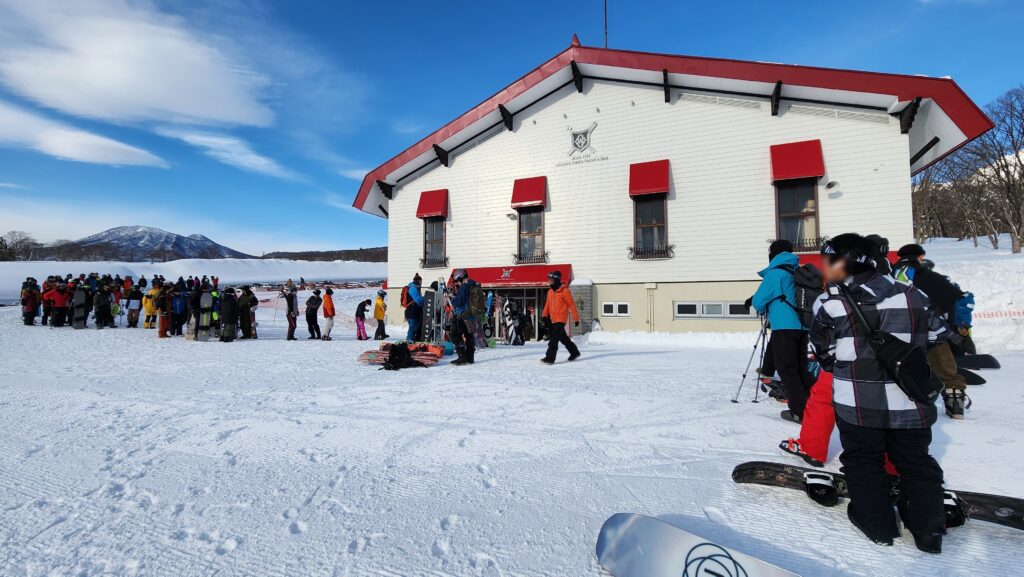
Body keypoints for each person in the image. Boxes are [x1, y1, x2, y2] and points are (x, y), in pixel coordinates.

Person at [809, 233, 948, 553]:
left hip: (856, 404)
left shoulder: (832, 305)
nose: (825, 268)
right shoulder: (915, 296)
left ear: (845, 264)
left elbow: (822, 354)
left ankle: (877, 524)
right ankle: (928, 529)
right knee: (917, 462)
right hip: (910, 401)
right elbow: (940, 334)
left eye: (829, 261)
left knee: (863, 460)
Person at [892, 244, 971, 419]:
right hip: (932, 332)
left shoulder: (888, 276)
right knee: (948, 371)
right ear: (921, 257)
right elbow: (956, 299)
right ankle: (955, 405)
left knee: (899, 370)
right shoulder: (931, 277)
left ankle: (905, 403)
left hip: (899, 332)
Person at [752, 240, 814, 423]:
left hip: (784, 327)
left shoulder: (776, 273)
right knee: (801, 368)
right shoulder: (797, 270)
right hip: (803, 326)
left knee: (788, 370)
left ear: (773, 254)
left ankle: (800, 412)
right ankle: (814, 406)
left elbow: (758, 301)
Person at [540, 270, 581, 364]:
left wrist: (576, 318)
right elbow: (547, 304)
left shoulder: (564, 291)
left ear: (556, 280)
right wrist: (544, 315)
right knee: (563, 338)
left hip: (561, 319)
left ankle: (550, 358)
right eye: (548, 279)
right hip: (553, 319)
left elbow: (571, 305)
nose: (549, 281)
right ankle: (574, 352)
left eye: (551, 279)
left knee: (553, 339)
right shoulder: (550, 292)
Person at [449, 270, 477, 365]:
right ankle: (470, 358)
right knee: (469, 337)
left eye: (457, 280)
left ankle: (462, 356)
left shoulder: (464, 286)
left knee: (454, 335)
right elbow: (465, 299)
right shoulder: (473, 285)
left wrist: (452, 298)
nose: (457, 282)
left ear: (460, 277)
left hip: (463, 315)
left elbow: (459, 302)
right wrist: (457, 296)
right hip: (472, 316)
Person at [403, 274, 424, 342]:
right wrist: (425, 298)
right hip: (412, 313)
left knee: (414, 328)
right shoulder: (413, 289)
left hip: (414, 312)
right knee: (412, 329)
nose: (421, 283)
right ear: (418, 281)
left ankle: (411, 342)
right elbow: (419, 301)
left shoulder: (415, 288)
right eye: (420, 281)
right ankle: (409, 343)